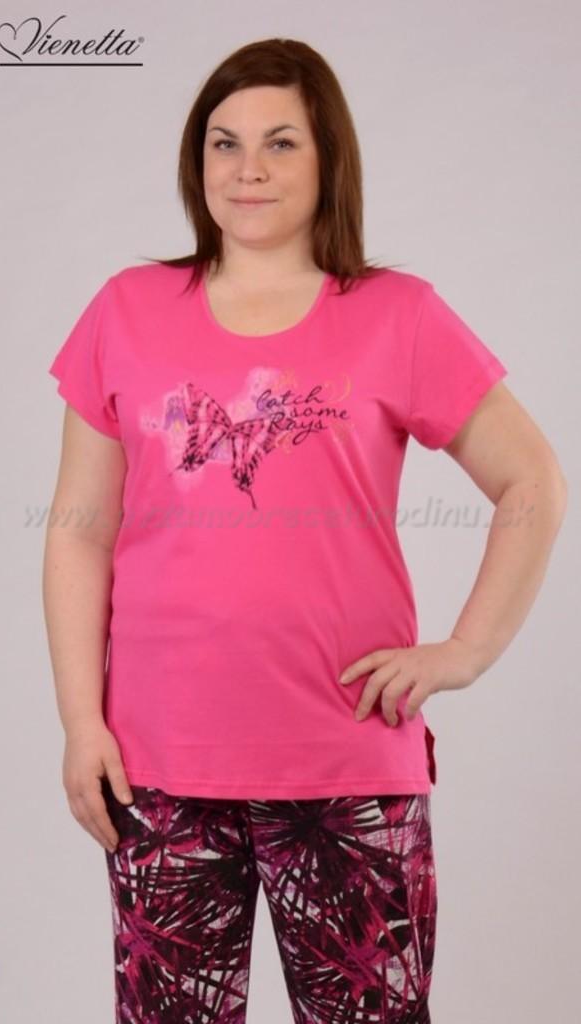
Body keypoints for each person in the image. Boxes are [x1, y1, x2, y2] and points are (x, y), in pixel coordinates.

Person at [42, 37, 567, 1024]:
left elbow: (530, 479)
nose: (248, 168)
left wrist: (465, 650)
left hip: (348, 760)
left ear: (329, 157)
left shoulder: (398, 316)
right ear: (197, 160)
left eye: (280, 142)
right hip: (158, 767)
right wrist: (81, 722)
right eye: (225, 142)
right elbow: (79, 533)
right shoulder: (125, 311)